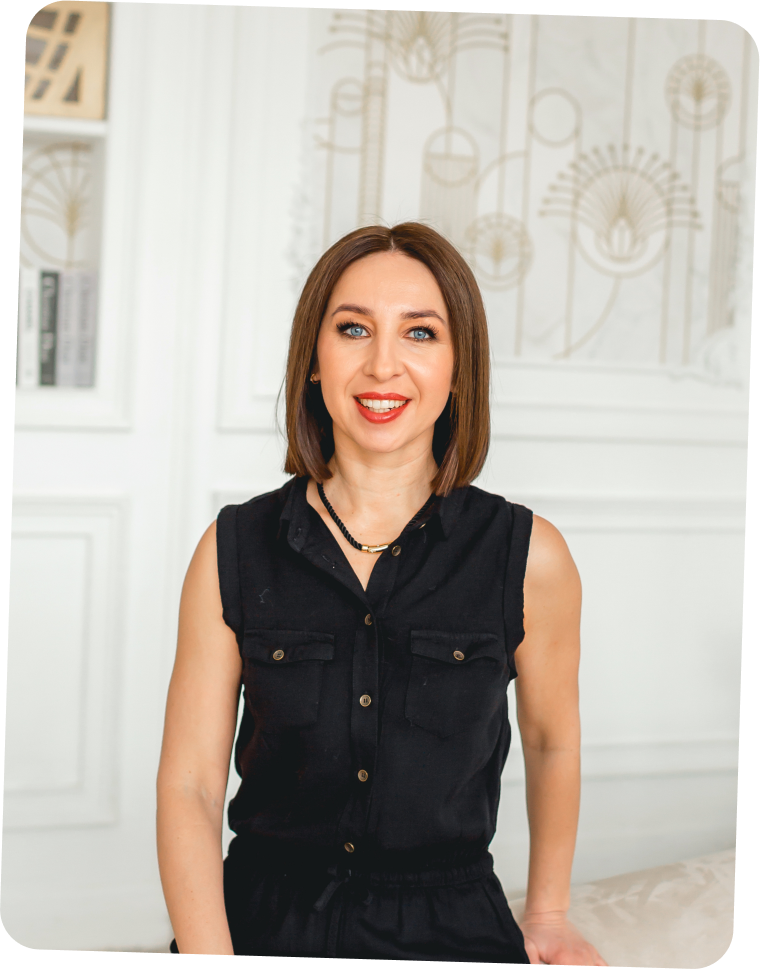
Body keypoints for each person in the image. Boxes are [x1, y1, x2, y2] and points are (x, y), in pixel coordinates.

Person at [156, 222, 608, 964]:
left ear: (460, 369)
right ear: (313, 359)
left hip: (453, 927)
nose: (383, 365)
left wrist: (549, 914)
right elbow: (190, 787)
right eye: (354, 328)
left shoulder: (531, 556)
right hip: (263, 920)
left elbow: (551, 741)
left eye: (420, 332)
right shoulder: (232, 548)